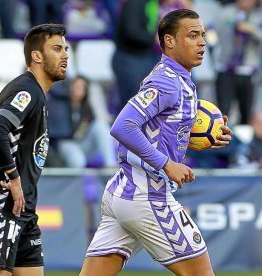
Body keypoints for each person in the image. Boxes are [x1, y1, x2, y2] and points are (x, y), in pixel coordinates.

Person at [80, 9, 232, 276]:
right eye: (193, 35)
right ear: (170, 41)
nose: (202, 43)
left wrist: (211, 136)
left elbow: (167, 125)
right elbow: (122, 126)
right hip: (148, 195)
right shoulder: (166, 82)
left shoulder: (181, 78)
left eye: (203, 36)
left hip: (124, 190)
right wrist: (167, 164)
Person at [0, 23, 68, 275]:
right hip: (1, 201)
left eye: (66, 49)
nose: (65, 55)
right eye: (57, 49)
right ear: (36, 56)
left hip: (24, 207)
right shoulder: (26, 90)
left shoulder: (36, 93)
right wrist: (13, 177)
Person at [47, 75, 117, 168]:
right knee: (78, 160)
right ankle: (75, 181)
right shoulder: (60, 104)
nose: (75, 89)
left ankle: (110, 165)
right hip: (65, 143)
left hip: (80, 143)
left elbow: (82, 130)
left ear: (85, 91)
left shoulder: (86, 109)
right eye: (74, 86)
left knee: (100, 126)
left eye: (80, 87)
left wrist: (79, 132)